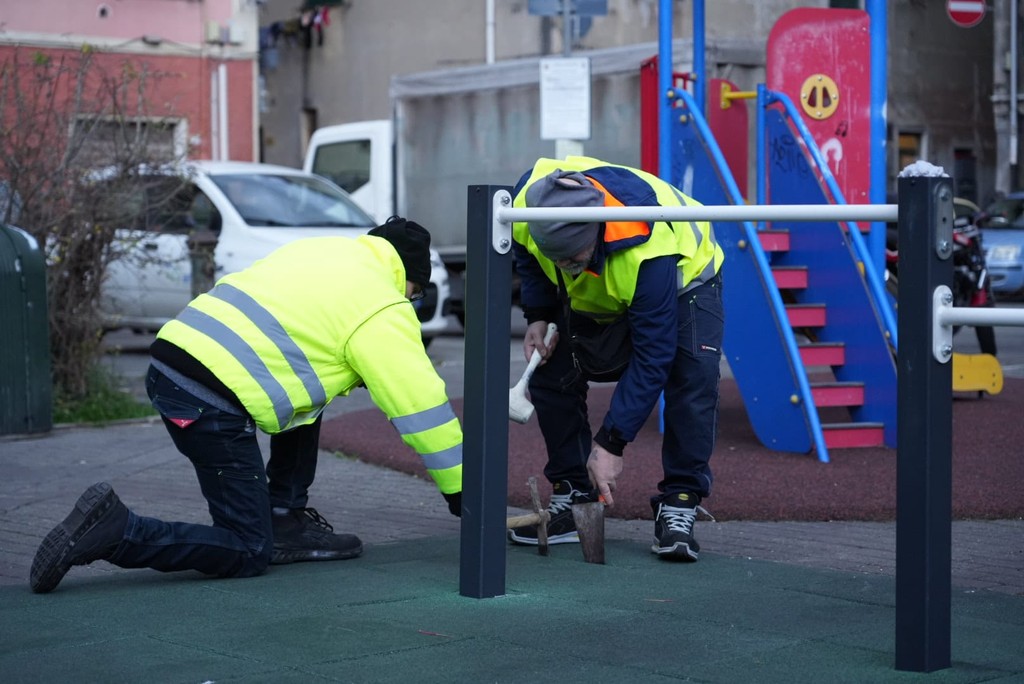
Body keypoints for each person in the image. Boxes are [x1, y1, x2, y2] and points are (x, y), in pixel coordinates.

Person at [30, 216, 463, 593]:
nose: (413, 302)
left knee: (311, 391)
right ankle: (118, 530)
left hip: (171, 363)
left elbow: (300, 347)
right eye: (416, 294)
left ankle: (284, 517)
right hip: (207, 400)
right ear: (409, 279)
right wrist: (464, 492)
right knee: (249, 548)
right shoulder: (383, 306)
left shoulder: (321, 252)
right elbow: (423, 410)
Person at [507, 157, 724, 562]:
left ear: (596, 231)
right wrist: (539, 314)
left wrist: (611, 443)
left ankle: (680, 501)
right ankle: (572, 495)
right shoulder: (523, 208)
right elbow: (528, 256)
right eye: (558, 260)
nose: (565, 267)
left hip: (686, 281)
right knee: (551, 367)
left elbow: (653, 354)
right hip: (605, 281)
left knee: (691, 376)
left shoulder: (646, 249)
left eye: (573, 257)